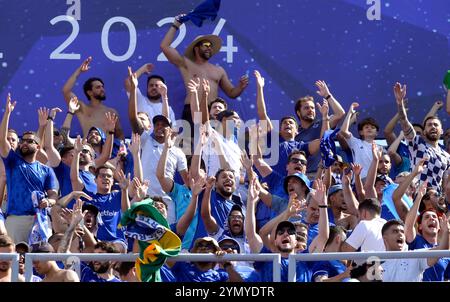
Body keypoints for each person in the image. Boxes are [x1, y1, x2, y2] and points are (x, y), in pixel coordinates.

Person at [160, 15, 249, 127]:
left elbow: (232, 93)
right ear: (196, 48)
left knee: (214, 144)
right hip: (192, 110)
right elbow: (164, 46)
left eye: (211, 46)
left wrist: (240, 87)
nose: (209, 48)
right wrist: (176, 25)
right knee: (191, 143)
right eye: (206, 45)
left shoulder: (219, 70)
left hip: (213, 113)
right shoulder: (186, 64)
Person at [0, 94, 58, 243]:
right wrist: (7, 113)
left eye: (29, 141)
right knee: (12, 261)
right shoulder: (12, 162)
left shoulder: (46, 170)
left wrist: (48, 202)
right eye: (23, 140)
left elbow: (53, 195)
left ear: (38, 147)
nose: (25, 143)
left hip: (39, 220)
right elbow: (2, 140)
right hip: (15, 220)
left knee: (39, 263)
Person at [394, 82, 450, 194]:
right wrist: (400, 104)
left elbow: (445, 183)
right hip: (416, 198)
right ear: (424, 132)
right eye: (429, 125)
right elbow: (404, 123)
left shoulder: (447, 156)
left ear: (442, 131)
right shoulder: (417, 143)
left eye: (436, 125)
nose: (433, 127)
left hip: (435, 200)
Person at [62, 56, 124, 139]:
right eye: (98, 87)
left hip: (108, 151)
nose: (102, 89)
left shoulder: (112, 112)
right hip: (88, 150)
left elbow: (119, 134)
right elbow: (66, 91)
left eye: (102, 87)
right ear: (89, 92)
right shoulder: (82, 108)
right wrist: (79, 71)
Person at [294, 82, 346, 174]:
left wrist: (327, 95)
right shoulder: (295, 133)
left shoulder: (323, 123)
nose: (311, 110)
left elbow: (340, 114)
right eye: (306, 108)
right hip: (306, 176)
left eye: (312, 108)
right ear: (298, 112)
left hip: (326, 174)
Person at [380, 219, 449, 282]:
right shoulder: (374, 262)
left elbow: (442, 250)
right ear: (385, 238)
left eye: (402, 232)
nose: (400, 234)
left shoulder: (415, 256)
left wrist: (446, 231)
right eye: (395, 231)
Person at [169, 236, 243, 282]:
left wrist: (226, 264)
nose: (203, 248)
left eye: (209, 246)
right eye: (200, 245)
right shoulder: (182, 266)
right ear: (194, 251)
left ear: (215, 252)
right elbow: (164, 258)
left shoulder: (220, 275)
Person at [340, 102, 381, 179]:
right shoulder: (355, 142)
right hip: (358, 182)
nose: (369, 128)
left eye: (372, 127)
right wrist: (350, 113)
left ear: (376, 133)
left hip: (374, 183)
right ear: (361, 132)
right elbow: (343, 131)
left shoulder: (380, 149)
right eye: (366, 127)